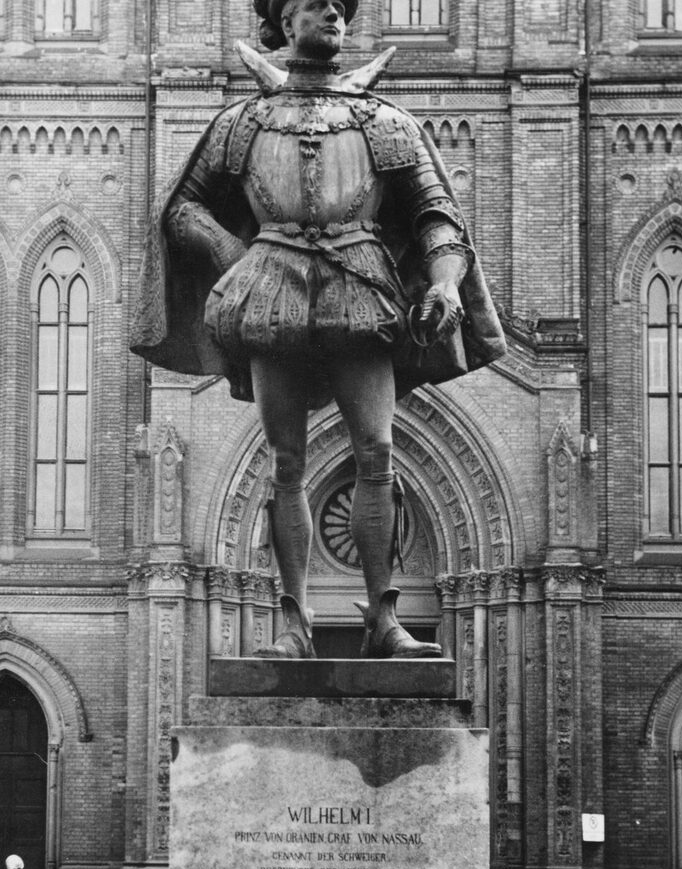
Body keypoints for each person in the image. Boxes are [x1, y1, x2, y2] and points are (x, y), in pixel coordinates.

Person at [131, 0, 506, 659]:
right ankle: (294, 623)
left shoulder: (383, 120)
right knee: (285, 464)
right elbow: (183, 208)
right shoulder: (243, 121)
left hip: (360, 294)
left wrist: (445, 282)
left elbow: (436, 218)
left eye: (339, 6)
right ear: (284, 22)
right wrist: (235, 259)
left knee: (375, 453)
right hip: (272, 298)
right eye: (313, 5)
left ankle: (383, 621)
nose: (331, 12)